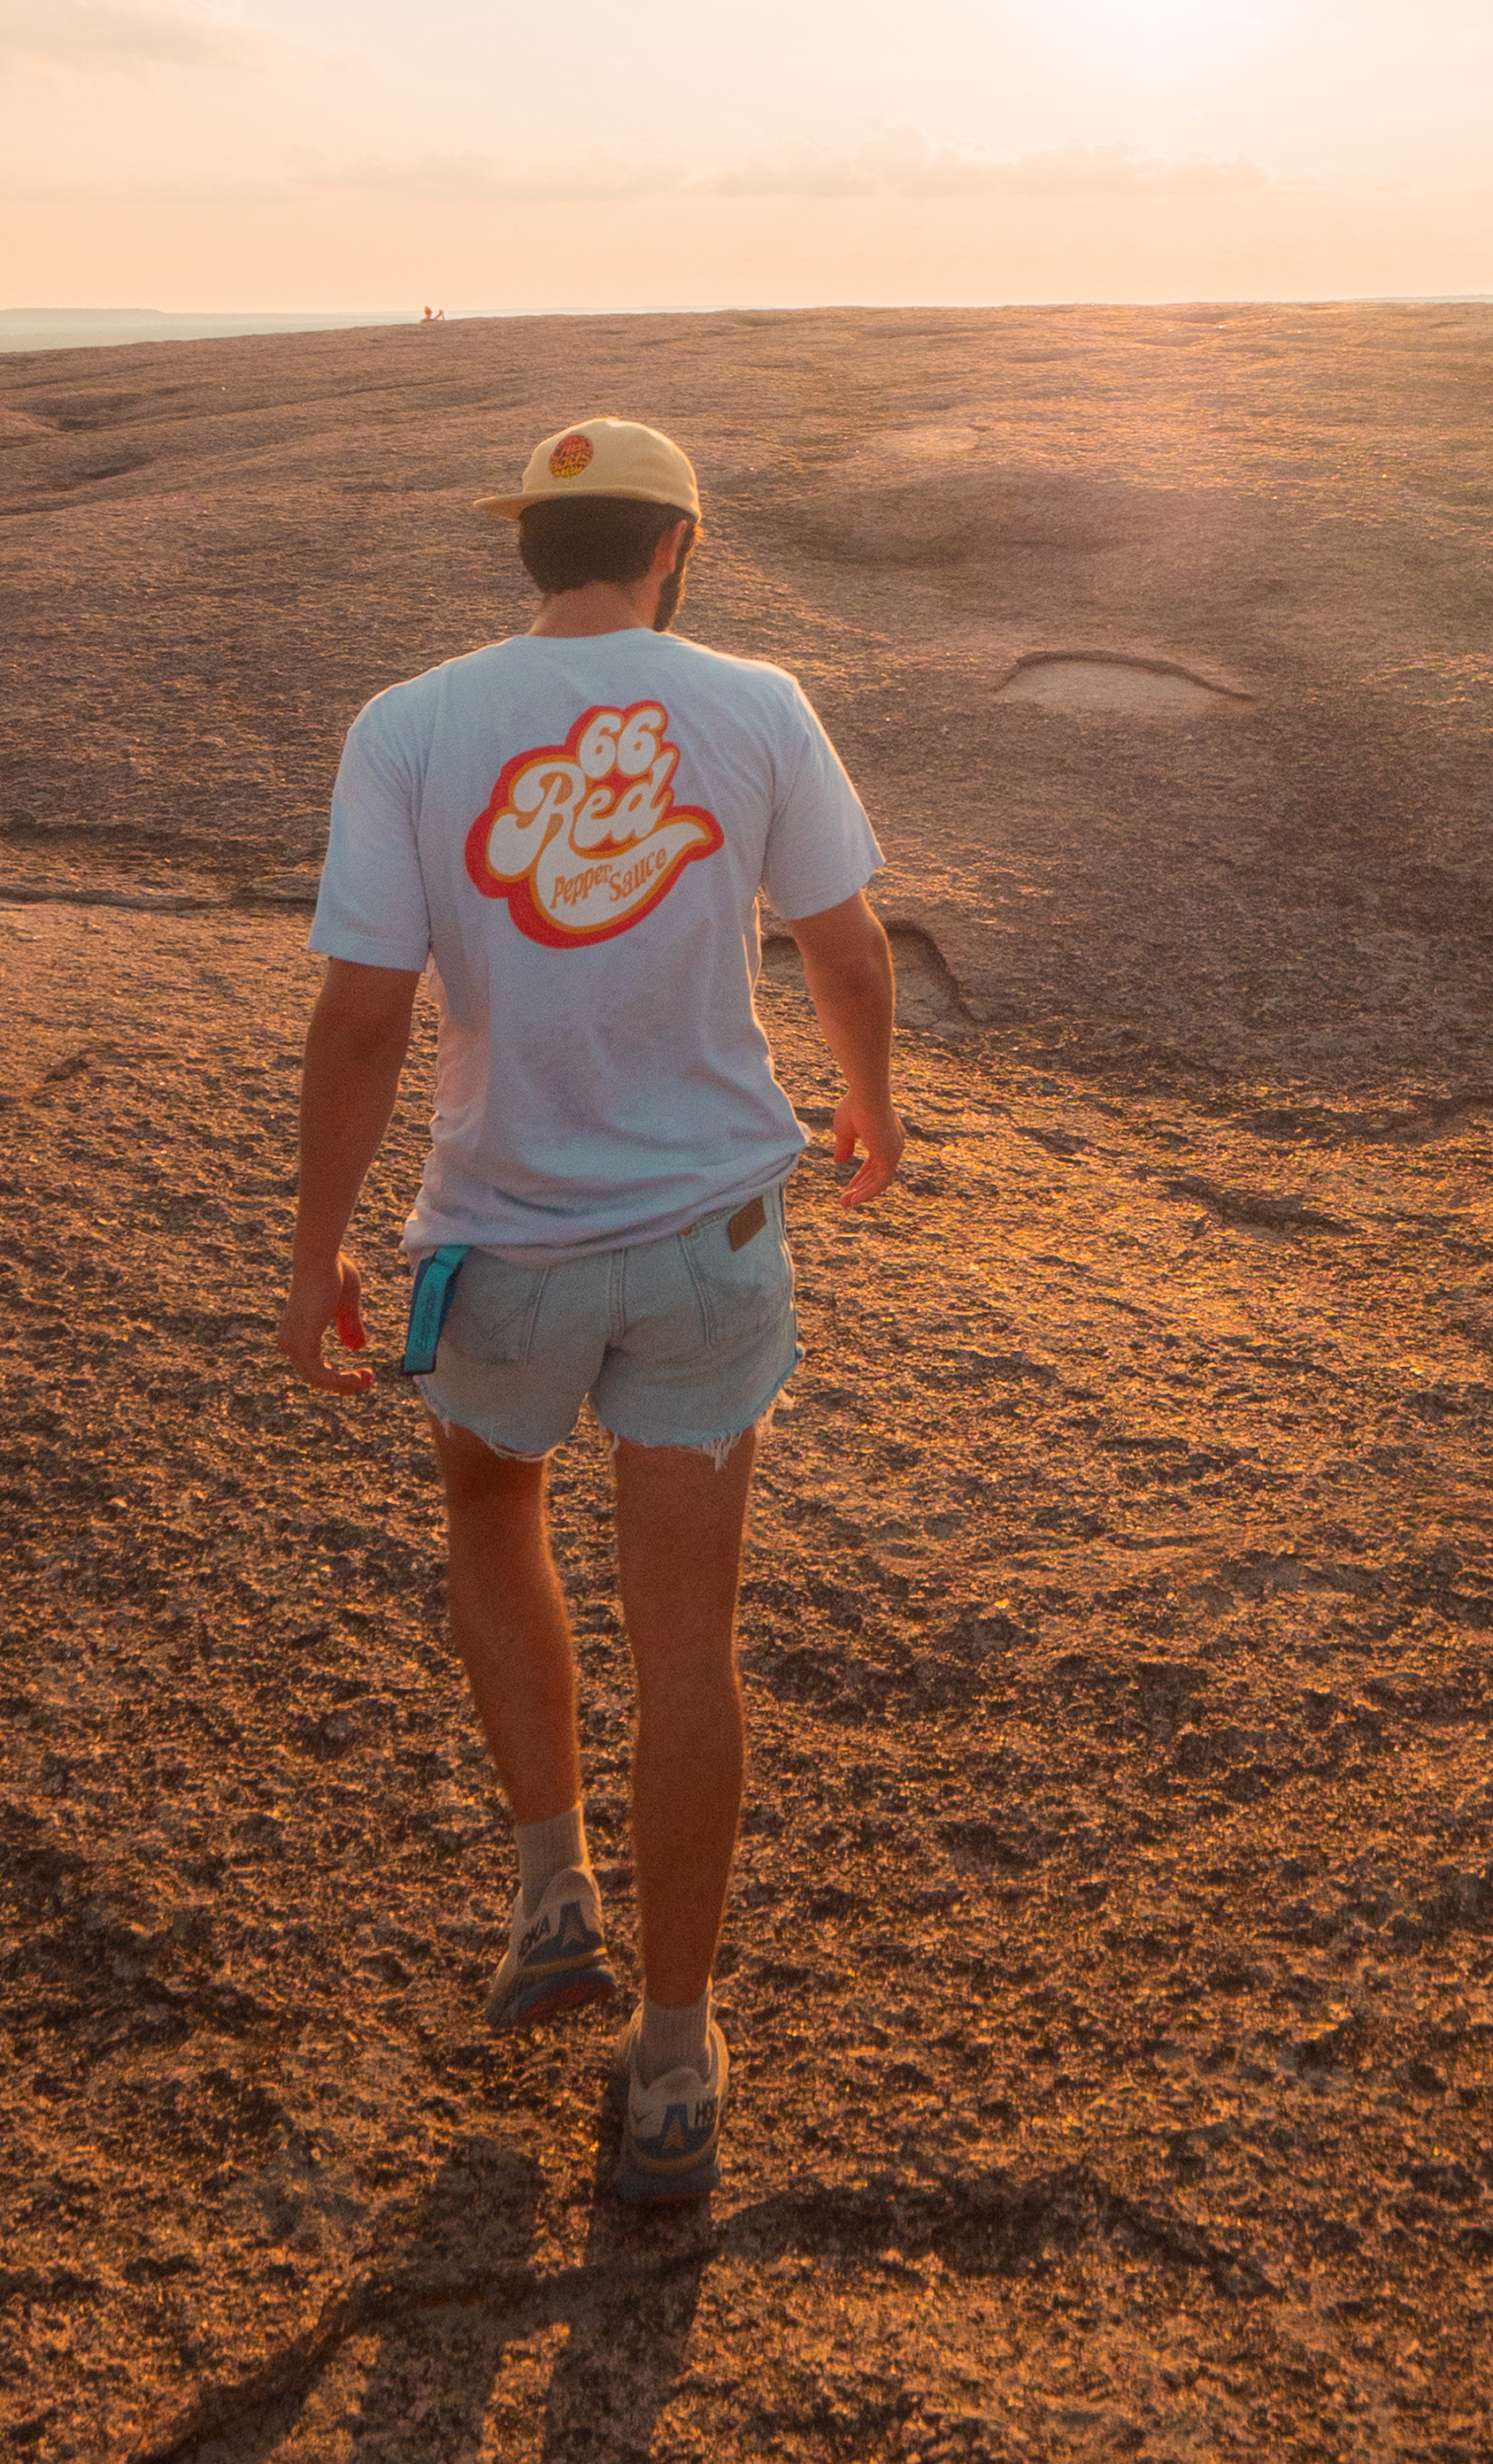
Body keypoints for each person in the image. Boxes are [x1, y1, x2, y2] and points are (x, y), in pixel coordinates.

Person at [273, 413, 904, 2199]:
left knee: (492, 1507)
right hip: (706, 1233)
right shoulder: (760, 702)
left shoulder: (410, 726)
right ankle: (677, 2055)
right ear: (677, 549)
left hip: (507, 1240)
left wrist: (319, 1242)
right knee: (687, 1640)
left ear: (529, 553)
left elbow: (363, 1016)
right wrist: (871, 1101)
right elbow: (845, 943)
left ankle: (552, 1891)